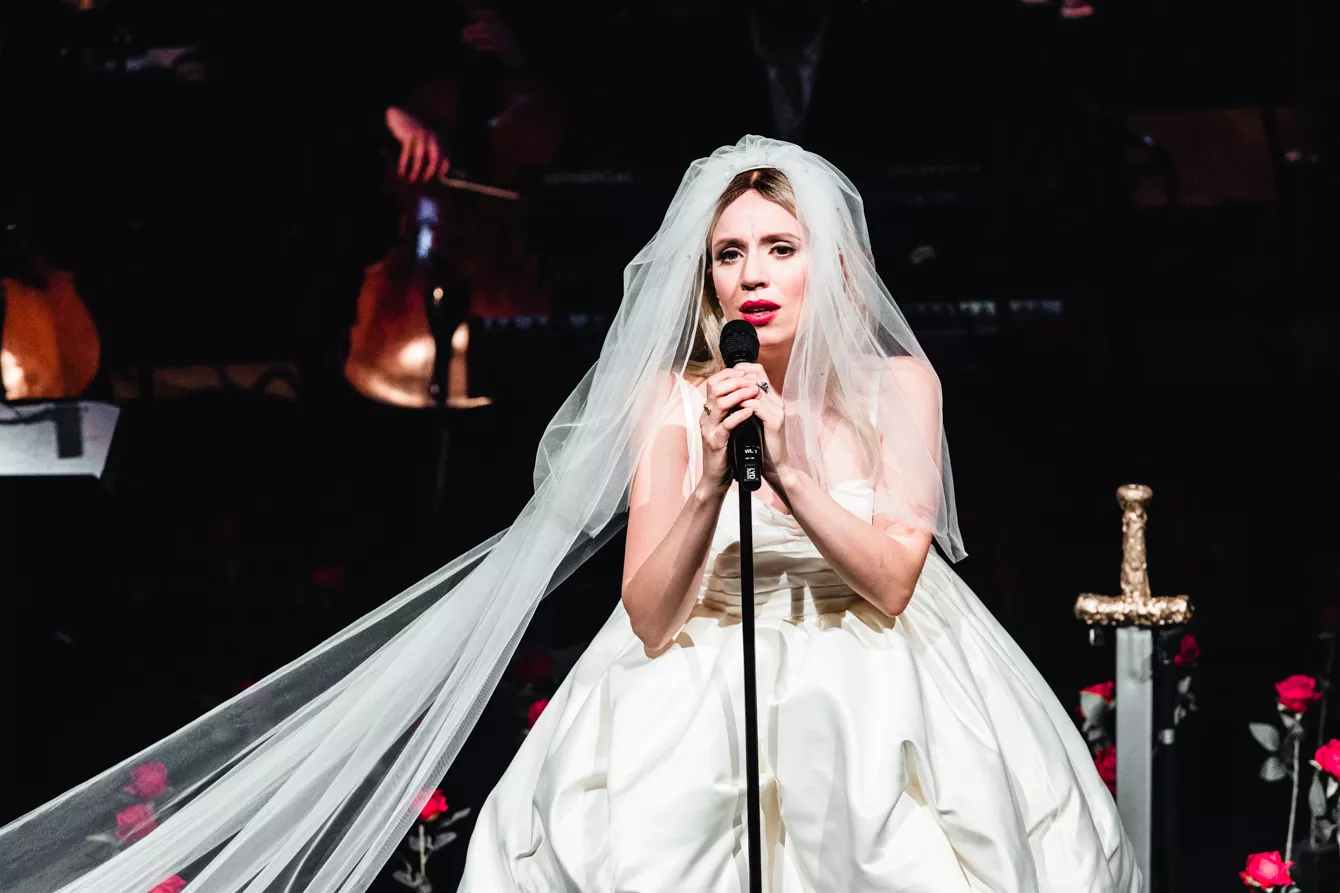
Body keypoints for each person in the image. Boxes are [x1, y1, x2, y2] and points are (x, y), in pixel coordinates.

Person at [0, 138, 1138, 893]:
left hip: (876, 675)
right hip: (695, 672)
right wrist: (706, 477)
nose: (752, 274)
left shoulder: (899, 386)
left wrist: (789, 467)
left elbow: (889, 579)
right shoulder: (674, 398)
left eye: (779, 250)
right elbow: (648, 610)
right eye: (729, 254)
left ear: (826, 265)